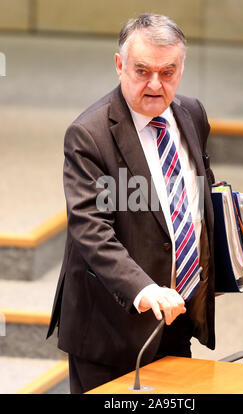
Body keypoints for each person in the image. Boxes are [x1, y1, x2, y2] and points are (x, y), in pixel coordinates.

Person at [47, 13, 216, 394]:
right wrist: (143, 289)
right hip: (111, 327)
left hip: (176, 313)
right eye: (142, 71)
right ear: (120, 64)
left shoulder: (192, 113)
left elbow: (198, 193)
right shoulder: (88, 135)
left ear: (182, 66)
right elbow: (91, 229)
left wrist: (220, 257)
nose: (156, 84)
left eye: (168, 71)